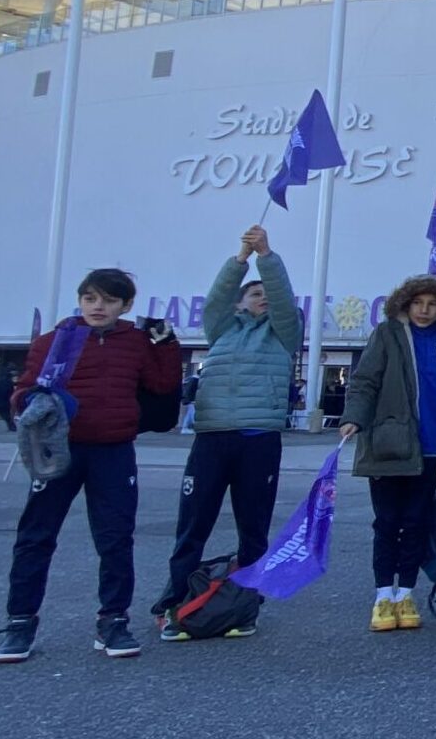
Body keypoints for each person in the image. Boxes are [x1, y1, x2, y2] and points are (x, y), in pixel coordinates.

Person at [0, 268, 182, 663]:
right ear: (80, 299)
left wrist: (166, 344)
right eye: (91, 298)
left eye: (110, 300)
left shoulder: (136, 342)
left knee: (116, 538)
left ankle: (113, 620)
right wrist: (28, 403)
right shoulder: (56, 339)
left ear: (126, 305)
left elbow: (163, 386)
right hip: (59, 449)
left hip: (113, 450)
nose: (99, 307)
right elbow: (24, 387)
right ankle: (19, 623)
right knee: (35, 537)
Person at [152, 225, 301, 640]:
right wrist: (241, 258)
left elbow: (285, 303)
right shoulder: (220, 329)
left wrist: (267, 256)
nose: (263, 298)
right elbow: (217, 297)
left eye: (266, 294)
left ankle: (245, 608)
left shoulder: (284, 333)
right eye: (255, 293)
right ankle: (175, 604)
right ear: (239, 302)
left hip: (259, 439)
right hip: (212, 437)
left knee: (253, 529)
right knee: (192, 526)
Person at [339, 275, 436, 632]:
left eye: (432, 304)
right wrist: (354, 417)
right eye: (418, 303)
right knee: (387, 522)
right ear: (405, 303)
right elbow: (365, 380)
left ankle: (406, 593)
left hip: (433, 448)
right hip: (391, 444)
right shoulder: (388, 334)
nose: (424, 310)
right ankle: (383, 595)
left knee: (417, 523)